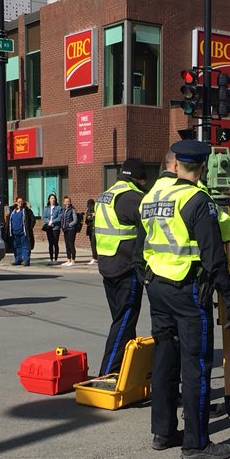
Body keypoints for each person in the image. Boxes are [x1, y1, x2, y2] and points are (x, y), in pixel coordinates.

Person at [141, 140, 230, 459]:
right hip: (188, 289)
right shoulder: (198, 199)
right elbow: (213, 257)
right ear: (202, 168)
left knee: (164, 360)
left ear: (175, 165)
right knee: (196, 364)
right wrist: (229, 297)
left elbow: (144, 243)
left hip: (157, 286)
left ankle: (163, 431)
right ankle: (195, 442)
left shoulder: (152, 197)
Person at [95, 157, 147, 375]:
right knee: (124, 320)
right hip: (127, 266)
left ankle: (128, 367)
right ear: (139, 178)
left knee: (122, 320)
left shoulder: (105, 195)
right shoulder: (135, 198)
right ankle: (108, 372)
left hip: (107, 264)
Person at [6, 197, 35, 266]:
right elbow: (8, 220)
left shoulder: (27, 211)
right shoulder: (12, 211)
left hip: (23, 233)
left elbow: (33, 220)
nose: (20, 203)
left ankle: (26, 261)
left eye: (21, 201)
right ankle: (18, 260)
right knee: (16, 247)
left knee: (25, 247)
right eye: (19, 201)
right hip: (14, 233)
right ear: (16, 202)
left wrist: (29, 228)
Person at [41, 193, 62, 264]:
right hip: (49, 228)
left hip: (56, 228)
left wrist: (52, 221)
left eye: (54, 198)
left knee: (55, 243)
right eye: (51, 198)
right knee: (50, 243)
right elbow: (44, 217)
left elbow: (59, 217)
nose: (52, 200)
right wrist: (48, 222)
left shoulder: (58, 208)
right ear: (49, 200)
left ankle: (55, 259)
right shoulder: (46, 208)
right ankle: (51, 259)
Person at [60, 195, 80, 266]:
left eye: (68, 201)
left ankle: (73, 260)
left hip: (71, 229)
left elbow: (75, 220)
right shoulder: (64, 210)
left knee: (71, 244)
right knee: (67, 245)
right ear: (64, 202)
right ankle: (68, 260)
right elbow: (62, 219)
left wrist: (68, 225)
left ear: (70, 202)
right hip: (65, 229)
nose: (67, 203)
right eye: (66, 201)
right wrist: (62, 226)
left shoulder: (72, 210)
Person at [85, 198, 99, 265]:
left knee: (94, 244)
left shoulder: (95, 210)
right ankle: (95, 257)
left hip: (94, 228)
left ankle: (95, 258)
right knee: (92, 243)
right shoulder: (88, 210)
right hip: (90, 228)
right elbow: (86, 220)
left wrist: (94, 216)